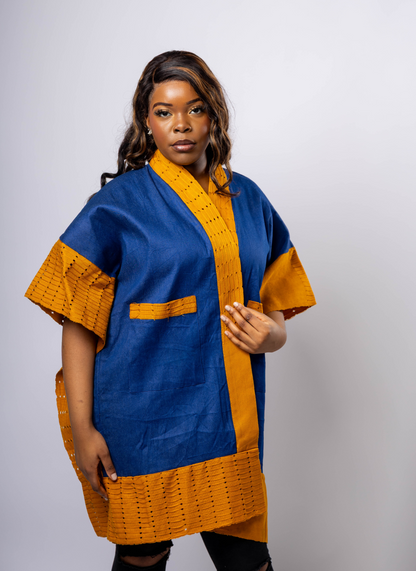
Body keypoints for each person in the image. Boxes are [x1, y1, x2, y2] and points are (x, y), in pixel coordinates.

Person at [25, 50, 316, 571]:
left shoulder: (249, 200)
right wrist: (83, 428)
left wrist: (272, 336)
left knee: (247, 560)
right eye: (164, 111)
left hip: (225, 419)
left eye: (194, 108)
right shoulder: (119, 205)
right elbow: (77, 321)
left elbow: (276, 308)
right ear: (146, 121)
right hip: (142, 420)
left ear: (214, 116)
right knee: (144, 556)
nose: (180, 124)